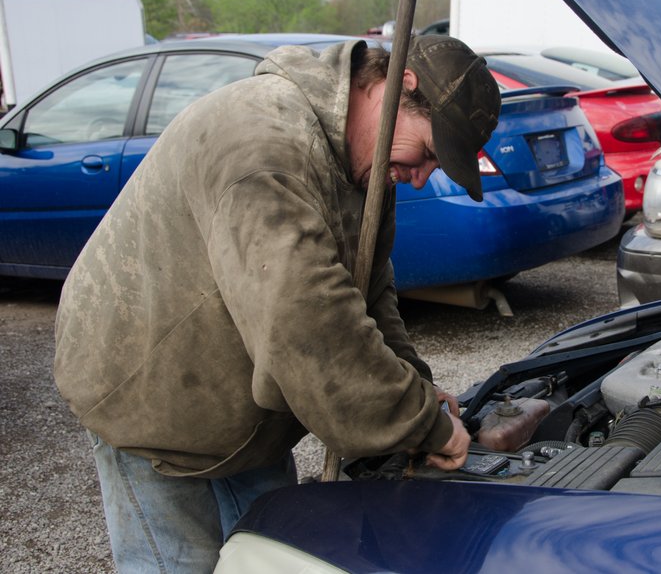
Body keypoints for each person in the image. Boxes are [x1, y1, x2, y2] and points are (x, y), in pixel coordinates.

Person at [53, 35, 501, 573]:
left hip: (237, 409)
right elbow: (310, 326)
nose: (422, 176)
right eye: (428, 152)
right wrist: (426, 426)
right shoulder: (264, 147)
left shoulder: (358, 164)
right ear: (400, 85)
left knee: (276, 551)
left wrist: (416, 386)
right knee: (183, 563)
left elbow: (368, 287)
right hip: (148, 391)